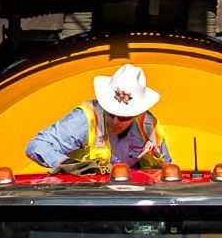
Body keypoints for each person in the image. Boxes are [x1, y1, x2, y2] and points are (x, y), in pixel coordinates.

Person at [26, 62, 172, 172]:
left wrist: (154, 155)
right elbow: (37, 146)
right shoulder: (85, 119)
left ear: (136, 114)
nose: (115, 122)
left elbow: (168, 170)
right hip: (84, 197)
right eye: (110, 113)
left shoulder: (148, 126)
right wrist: (70, 165)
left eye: (123, 117)